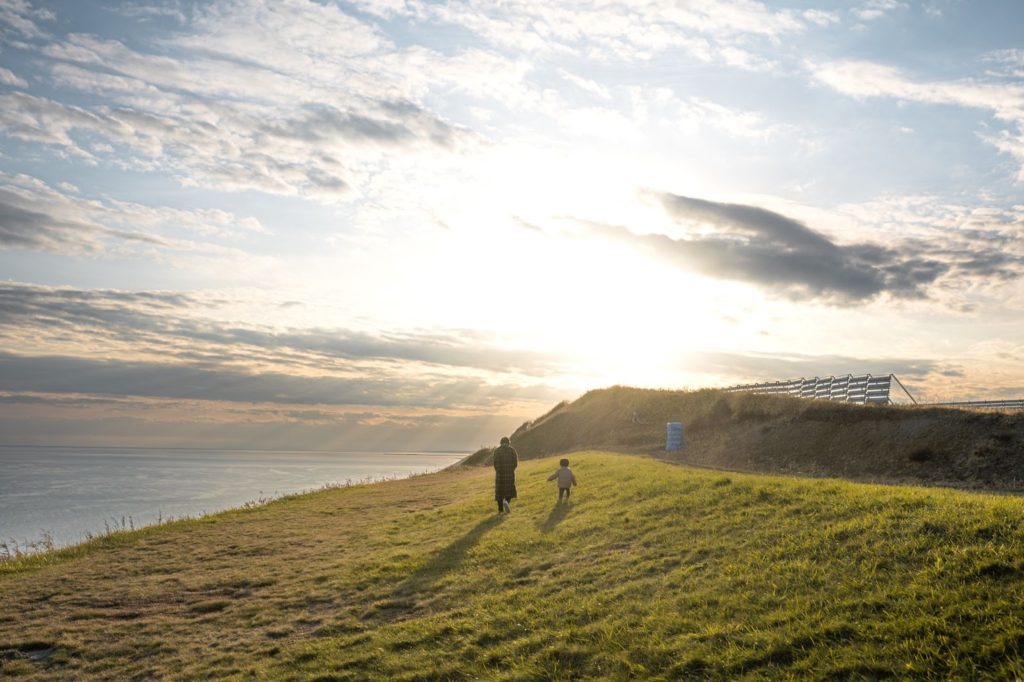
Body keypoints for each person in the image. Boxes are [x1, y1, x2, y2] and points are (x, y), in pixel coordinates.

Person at [493, 436, 518, 513]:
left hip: (500, 475)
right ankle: (506, 502)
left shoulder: (497, 451)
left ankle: (500, 509)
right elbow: (515, 463)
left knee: (499, 492)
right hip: (509, 474)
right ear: (508, 442)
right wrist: (511, 470)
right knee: (509, 491)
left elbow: (495, 464)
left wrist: (498, 471)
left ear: (501, 442)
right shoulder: (512, 450)